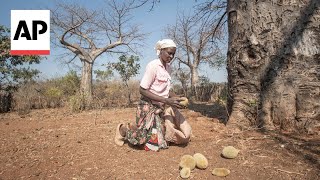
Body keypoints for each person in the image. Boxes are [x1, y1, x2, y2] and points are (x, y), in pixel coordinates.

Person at [114, 39, 192, 151]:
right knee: (145, 141)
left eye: (173, 54)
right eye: (169, 53)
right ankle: (123, 130)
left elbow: (166, 90)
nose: (171, 56)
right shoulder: (153, 66)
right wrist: (166, 101)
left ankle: (143, 128)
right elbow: (142, 89)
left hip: (159, 108)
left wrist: (176, 98)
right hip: (147, 106)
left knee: (160, 141)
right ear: (161, 51)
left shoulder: (168, 68)